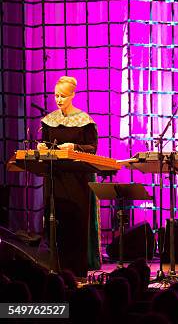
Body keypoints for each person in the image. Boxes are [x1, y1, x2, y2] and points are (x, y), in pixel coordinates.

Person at [36, 76, 100, 276]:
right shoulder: (49, 121)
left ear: (73, 95)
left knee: (76, 223)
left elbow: (93, 149)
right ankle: (56, 269)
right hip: (55, 178)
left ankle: (77, 271)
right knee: (56, 223)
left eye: (63, 96)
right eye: (56, 95)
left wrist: (74, 147)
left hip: (78, 181)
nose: (59, 99)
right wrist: (41, 147)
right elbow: (45, 145)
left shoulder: (85, 121)